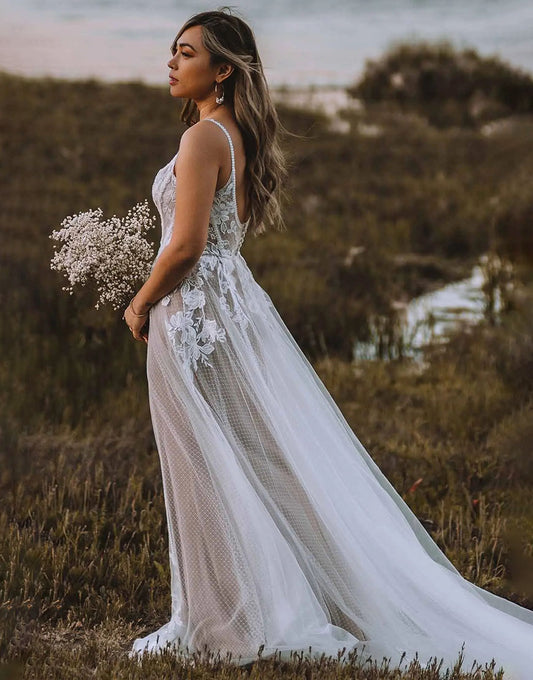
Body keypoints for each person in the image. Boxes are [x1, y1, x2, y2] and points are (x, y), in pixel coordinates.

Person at [123, 8, 533, 676]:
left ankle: (229, 619)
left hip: (196, 315)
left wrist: (140, 300)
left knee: (207, 463)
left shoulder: (203, 139)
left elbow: (189, 247)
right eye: (173, 52)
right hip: (234, 309)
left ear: (222, 69)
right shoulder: (235, 136)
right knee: (253, 461)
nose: (171, 62)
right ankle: (263, 603)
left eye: (186, 52)